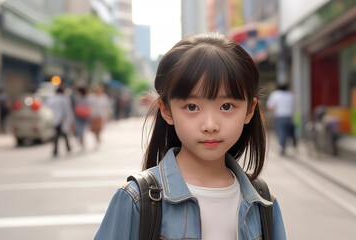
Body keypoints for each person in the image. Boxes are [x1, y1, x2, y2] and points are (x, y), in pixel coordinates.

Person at [94, 33, 287, 240]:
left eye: (227, 106)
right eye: (192, 107)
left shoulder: (264, 204)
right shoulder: (135, 200)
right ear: (167, 111)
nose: (210, 125)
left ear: (249, 110)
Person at [267, 84, 295, 155]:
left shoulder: (275, 94)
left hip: (279, 116)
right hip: (289, 116)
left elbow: (270, 106)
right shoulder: (290, 95)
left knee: (280, 131)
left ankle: (283, 146)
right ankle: (287, 143)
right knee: (286, 131)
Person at [47, 85, 74, 157]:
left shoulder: (52, 99)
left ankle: (59, 149)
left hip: (55, 119)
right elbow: (68, 110)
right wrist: (71, 120)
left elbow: (48, 106)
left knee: (60, 134)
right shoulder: (64, 99)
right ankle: (63, 148)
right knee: (61, 134)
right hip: (62, 119)